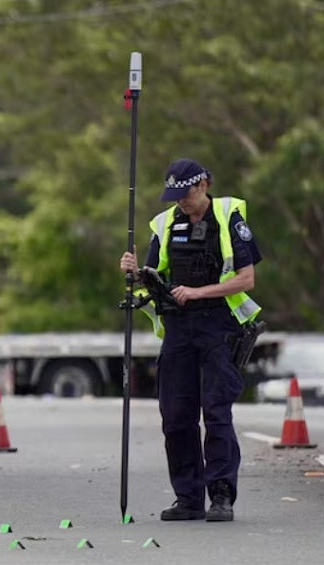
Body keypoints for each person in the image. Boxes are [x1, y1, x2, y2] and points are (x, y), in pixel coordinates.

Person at [119, 158, 262, 523]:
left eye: (186, 194)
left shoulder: (230, 218)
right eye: (175, 196)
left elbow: (246, 280)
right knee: (176, 417)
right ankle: (188, 498)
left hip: (219, 326)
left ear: (203, 185)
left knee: (216, 413)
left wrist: (199, 293)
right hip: (179, 329)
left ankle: (221, 496)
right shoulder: (166, 224)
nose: (180, 202)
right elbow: (155, 277)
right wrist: (135, 273)